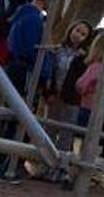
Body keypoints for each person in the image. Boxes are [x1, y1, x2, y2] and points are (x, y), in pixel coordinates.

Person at [0, 0, 46, 182]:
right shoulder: (14, 7)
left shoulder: (28, 12)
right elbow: (2, 27)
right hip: (2, 58)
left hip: (11, 63)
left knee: (7, 110)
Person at [38, 19, 92, 181]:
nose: (78, 35)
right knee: (49, 130)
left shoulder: (86, 57)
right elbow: (50, 73)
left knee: (66, 133)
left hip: (72, 100)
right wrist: (48, 93)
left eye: (83, 34)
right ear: (70, 30)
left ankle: (61, 169)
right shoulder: (58, 51)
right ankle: (46, 165)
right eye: (77, 30)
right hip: (54, 97)